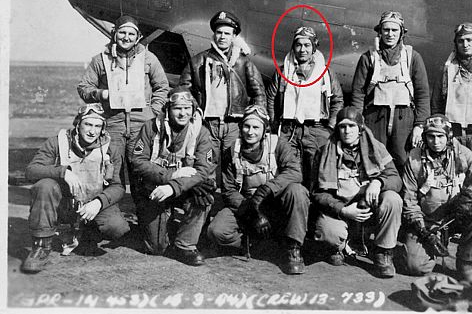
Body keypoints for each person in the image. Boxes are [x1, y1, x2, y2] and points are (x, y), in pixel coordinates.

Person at [21, 104, 130, 273]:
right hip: (65, 203)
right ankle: (41, 246)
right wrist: (62, 172)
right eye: (88, 124)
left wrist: (98, 203)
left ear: (103, 129)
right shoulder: (58, 142)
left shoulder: (110, 148)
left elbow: (118, 186)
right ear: (78, 124)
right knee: (44, 186)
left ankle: (86, 233)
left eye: (97, 126)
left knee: (117, 227)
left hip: (93, 204)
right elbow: (31, 171)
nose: (92, 131)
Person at [77, 15, 170, 205]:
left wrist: (152, 112)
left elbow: (162, 87)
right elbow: (84, 88)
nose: (126, 37)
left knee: (141, 173)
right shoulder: (101, 60)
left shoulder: (148, 59)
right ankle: (111, 215)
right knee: (112, 173)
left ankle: (145, 218)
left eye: (131, 34)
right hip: (113, 125)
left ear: (138, 37)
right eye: (122, 32)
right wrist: (101, 94)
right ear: (115, 34)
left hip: (141, 126)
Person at [207, 105, 309, 275]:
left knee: (297, 191)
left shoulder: (278, 144)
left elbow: (295, 172)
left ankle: (293, 248)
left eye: (256, 127)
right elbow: (229, 190)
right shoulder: (232, 151)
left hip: (276, 203)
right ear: (241, 128)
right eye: (246, 126)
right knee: (217, 231)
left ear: (264, 130)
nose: (250, 132)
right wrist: (252, 213)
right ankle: (255, 243)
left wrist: (267, 189)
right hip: (247, 205)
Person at [311, 106, 402, 278]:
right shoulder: (325, 152)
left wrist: (378, 182)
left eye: (351, 126)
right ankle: (339, 246)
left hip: (369, 208)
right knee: (328, 233)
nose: (347, 131)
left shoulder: (376, 147)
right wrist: (343, 210)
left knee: (393, 199)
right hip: (341, 209)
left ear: (360, 128)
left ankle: (383, 251)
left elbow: (396, 179)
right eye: (342, 126)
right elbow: (317, 193)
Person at [179, 11, 266, 185]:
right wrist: (194, 114)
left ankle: (230, 201)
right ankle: (205, 200)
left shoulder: (244, 62)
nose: (222, 37)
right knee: (205, 166)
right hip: (207, 124)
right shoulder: (198, 61)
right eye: (219, 32)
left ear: (234, 36)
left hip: (234, 125)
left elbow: (259, 93)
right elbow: (184, 91)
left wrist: (257, 119)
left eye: (227, 33)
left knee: (232, 167)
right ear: (214, 34)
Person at [131, 87, 216, 266]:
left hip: (183, 189)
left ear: (193, 109)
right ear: (168, 109)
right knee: (156, 248)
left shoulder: (201, 132)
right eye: (177, 108)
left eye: (187, 108)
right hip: (154, 188)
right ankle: (164, 226)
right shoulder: (151, 127)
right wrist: (171, 175)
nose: (183, 113)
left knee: (203, 195)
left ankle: (185, 244)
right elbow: (137, 161)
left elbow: (203, 170)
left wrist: (172, 186)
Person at [401, 114, 472, 282]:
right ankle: (432, 244)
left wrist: (469, 195)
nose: (436, 142)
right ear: (424, 137)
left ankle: (466, 261)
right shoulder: (414, 159)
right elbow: (409, 201)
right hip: (428, 221)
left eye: (440, 136)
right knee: (415, 267)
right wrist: (424, 233)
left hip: (457, 214)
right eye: (431, 136)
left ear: (448, 136)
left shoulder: (462, 153)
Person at [266, 26, 344, 192]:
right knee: (288, 169)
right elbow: (271, 98)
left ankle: (315, 203)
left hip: (316, 128)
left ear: (314, 47)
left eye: (307, 45)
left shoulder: (326, 73)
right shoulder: (283, 71)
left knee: (316, 171)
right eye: (298, 45)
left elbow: (337, 100)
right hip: (289, 129)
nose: (302, 50)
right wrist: (274, 125)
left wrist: (330, 127)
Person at [351, 11, 430, 173]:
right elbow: (358, 93)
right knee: (374, 160)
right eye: (386, 30)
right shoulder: (368, 58)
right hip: (375, 117)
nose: (390, 34)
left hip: (404, 119)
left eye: (394, 30)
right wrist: (358, 123)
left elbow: (422, 94)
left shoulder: (413, 57)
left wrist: (419, 125)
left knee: (404, 161)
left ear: (401, 32)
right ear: (380, 31)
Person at [431, 22, 472, 174]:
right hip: (454, 136)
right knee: (452, 177)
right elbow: (436, 103)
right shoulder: (447, 69)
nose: (465, 44)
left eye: (469, 40)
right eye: (461, 41)